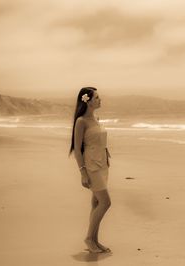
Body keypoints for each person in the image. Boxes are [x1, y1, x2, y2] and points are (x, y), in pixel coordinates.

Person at [69, 87, 112, 253]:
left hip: (103, 165)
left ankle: (95, 240)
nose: (100, 100)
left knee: (96, 202)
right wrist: (83, 173)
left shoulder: (96, 118)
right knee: (106, 202)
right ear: (87, 101)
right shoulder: (81, 121)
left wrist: (106, 154)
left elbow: (99, 141)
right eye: (97, 98)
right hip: (91, 166)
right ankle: (88, 238)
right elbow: (78, 150)